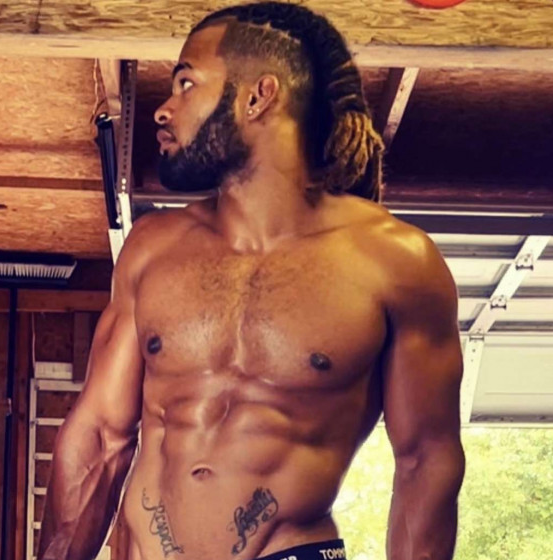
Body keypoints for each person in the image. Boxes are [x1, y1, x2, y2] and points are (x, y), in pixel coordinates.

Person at [37, 3, 465, 560]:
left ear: (258, 96)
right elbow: (100, 438)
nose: (164, 109)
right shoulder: (153, 248)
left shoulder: (395, 262)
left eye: (186, 83)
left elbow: (425, 460)